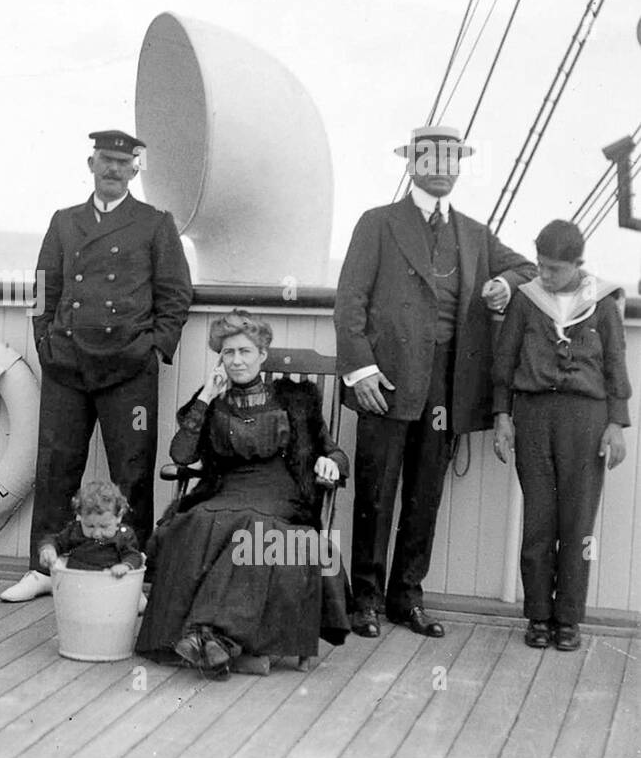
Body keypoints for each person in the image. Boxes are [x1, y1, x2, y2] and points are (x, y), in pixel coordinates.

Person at [334, 125, 536, 639]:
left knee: (425, 496)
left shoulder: (472, 231)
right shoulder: (378, 223)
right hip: (386, 382)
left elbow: (526, 267)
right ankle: (366, 601)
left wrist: (501, 283)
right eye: (431, 160)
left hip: (446, 387)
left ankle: (407, 598)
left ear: (458, 167)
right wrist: (361, 370)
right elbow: (350, 300)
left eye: (451, 160)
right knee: (376, 496)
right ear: (413, 165)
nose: (442, 169)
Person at [0, 129, 192, 602]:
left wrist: (154, 348)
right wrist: (46, 341)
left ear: (135, 170)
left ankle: (134, 574)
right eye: (105, 161)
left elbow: (175, 294)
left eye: (122, 163)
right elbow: (45, 288)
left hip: (129, 367)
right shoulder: (64, 222)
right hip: (67, 362)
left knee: (133, 470)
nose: (113, 170)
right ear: (91, 165)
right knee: (56, 467)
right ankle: (44, 569)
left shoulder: (154, 223)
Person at [135, 311, 352, 678]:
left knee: (254, 529)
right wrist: (206, 395)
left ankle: (211, 637)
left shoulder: (296, 401)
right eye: (228, 352)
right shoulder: (211, 402)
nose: (236, 360)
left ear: (262, 354)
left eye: (245, 352)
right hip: (226, 488)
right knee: (200, 520)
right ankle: (220, 644)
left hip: (280, 493)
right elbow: (181, 456)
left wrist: (331, 463)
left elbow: (335, 452)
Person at [492, 219, 631, 652]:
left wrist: (616, 424)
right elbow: (505, 361)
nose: (544, 276)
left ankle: (568, 618)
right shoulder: (526, 301)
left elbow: (614, 366)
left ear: (578, 264)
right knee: (538, 520)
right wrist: (502, 417)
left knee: (577, 523)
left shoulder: (603, 303)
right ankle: (537, 615)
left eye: (554, 269)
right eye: (540, 266)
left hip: (586, 420)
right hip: (533, 415)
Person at [40, 480, 143, 576]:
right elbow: (55, 540)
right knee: (39, 580)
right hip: (75, 581)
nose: (96, 533)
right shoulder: (75, 530)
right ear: (80, 516)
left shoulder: (123, 535)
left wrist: (125, 566)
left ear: (118, 517)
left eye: (104, 526)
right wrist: (48, 549)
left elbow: (134, 556)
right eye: (90, 526)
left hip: (109, 582)